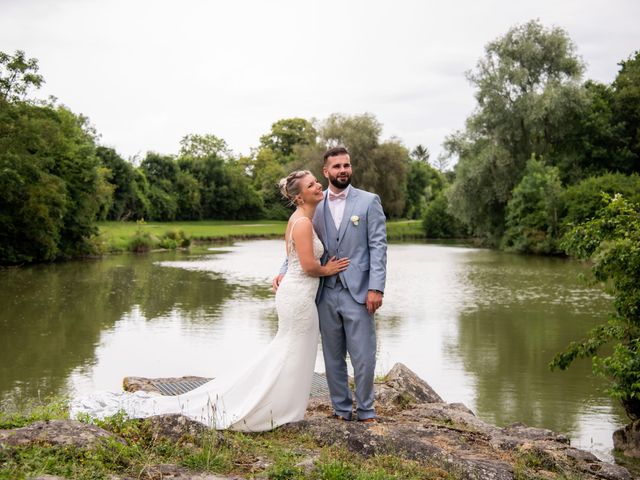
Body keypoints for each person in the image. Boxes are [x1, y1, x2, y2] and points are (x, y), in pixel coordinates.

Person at [70, 170, 349, 431]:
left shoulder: (302, 220)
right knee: (292, 350)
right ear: (299, 196)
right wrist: (330, 269)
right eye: (312, 184)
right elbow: (309, 266)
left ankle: (284, 407)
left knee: (291, 351)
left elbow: (291, 262)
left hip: (296, 294)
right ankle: (275, 409)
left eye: (316, 182)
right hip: (298, 297)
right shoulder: (301, 223)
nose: (318, 186)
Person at [274, 146, 387, 422]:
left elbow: (378, 247)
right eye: (336, 167)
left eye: (346, 165)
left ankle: (367, 409)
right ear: (326, 172)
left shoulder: (369, 201)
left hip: (358, 291)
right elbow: (299, 246)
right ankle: (340, 409)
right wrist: (283, 271)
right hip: (324, 293)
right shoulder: (314, 202)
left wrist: (377, 287)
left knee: (363, 355)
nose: (343, 171)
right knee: (332, 356)